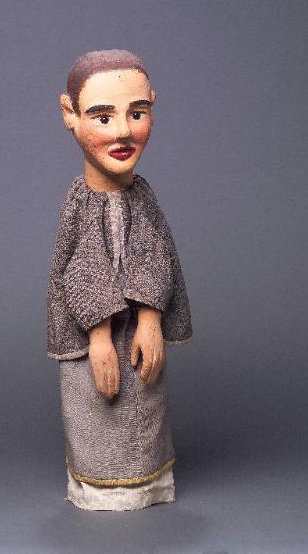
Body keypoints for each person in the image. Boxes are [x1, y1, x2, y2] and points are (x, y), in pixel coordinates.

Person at [47, 49, 192, 511]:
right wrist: (98, 335)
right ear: (69, 114)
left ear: (153, 106)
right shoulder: (78, 203)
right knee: (97, 407)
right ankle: (99, 487)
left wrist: (150, 318)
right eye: (103, 117)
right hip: (97, 344)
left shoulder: (143, 197)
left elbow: (155, 253)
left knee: (145, 404)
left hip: (140, 341)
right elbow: (77, 268)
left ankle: (149, 484)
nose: (123, 132)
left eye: (137, 113)